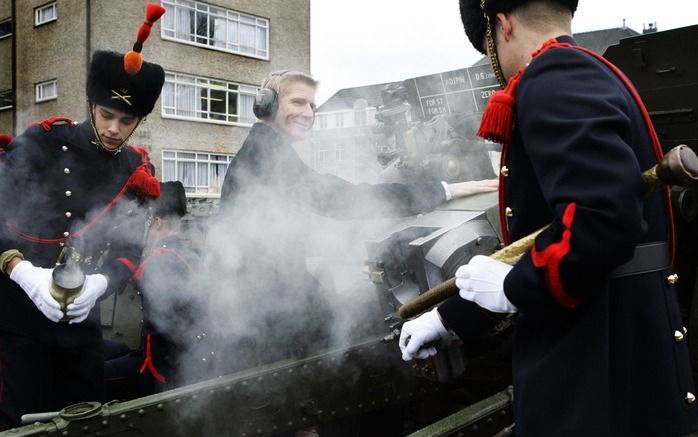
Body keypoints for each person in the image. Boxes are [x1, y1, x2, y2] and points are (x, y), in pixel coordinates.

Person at [398, 1, 698, 436]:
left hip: (598, 369)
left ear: (499, 26)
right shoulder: (585, 68)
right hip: (617, 352)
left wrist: (512, 288)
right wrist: (450, 318)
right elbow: (554, 236)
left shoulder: (554, 77)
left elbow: (600, 220)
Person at [210, 70, 498, 368]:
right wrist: (445, 189)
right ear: (266, 105)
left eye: (312, 106)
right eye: (298, 102)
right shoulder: (266, 153)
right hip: (271, 312)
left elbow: (287, 225)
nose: (308, 113)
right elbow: (338, 198)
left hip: (264, 303)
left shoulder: (265, 149)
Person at [0, 4, 165, 429]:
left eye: (126, 120)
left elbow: (130, 248)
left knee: (87, 420)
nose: (114, 128)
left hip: (82, 324)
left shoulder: (135, 170)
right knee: (22, 422)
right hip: (19, 319)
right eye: (107, 114)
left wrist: (101, 283)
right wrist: (22, 273)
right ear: (91, 104)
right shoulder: (40, 143)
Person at [104, 181, 202, 400]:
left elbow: (164, 329)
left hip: (161, 372)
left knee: (90, 375)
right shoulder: (188, 254)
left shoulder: (159, 261)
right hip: (184, 362)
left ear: (156, 223)